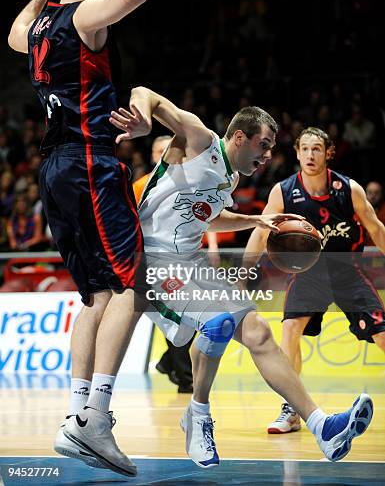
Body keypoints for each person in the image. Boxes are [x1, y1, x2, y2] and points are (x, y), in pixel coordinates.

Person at [7, 0, 182, 478]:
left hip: (54, 168)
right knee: (134, 283)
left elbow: (13, 32)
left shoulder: (33, 28)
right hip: (88, 162)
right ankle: (98, 418)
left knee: (98, 297)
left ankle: (76, 415)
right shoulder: (84, 17)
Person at [110, 90, 374, 468]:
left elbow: (206, 217)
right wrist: (143, 119)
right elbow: (147, 94)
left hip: (192, 260)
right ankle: (197, 415)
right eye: (263, 146)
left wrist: (253, 220)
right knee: (217, 323)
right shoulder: (199, 141)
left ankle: (322, 427)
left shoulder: (229, 177)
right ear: (238, 137)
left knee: (258, 332)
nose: (268, 156)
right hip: (151, 261)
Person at [244, 126, 385, 435]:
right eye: (304, 149)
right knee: (290, 329)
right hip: (308, 274)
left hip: (348, 271)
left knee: (382, 337)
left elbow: (375, 228)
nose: (310, 154)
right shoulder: (283, 191)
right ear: (297, 153)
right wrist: (244, 271)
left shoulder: (349, 189)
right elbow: (260, 230)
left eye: (316, 149)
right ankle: (292, 409)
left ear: (328, 153)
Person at [134, 135, 195, 393]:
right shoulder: (140, 185)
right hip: (151, 261)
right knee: (179, 315)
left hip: (186, 259)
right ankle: (185, 378)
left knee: (188, 317)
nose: (164, 156)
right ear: (152, 155)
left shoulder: (189, 185)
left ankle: (167, 362)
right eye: (159, 151)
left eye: (168, 151)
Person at [365, 181, 385, 245]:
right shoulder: (357, 212)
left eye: (376, 193)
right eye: (370, 192)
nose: (373, 196)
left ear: (382, 195)